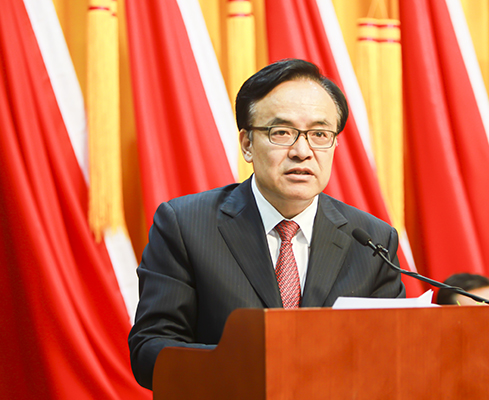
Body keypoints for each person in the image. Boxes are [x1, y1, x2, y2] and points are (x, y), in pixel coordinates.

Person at [128, 58, 405, 389]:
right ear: (247, 144)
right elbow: (150, 350)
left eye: (319, 134)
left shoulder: (373, 241)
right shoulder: (185, 225)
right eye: (282, 132)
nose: (302, 151)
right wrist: (253, 364)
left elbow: (392, 355)